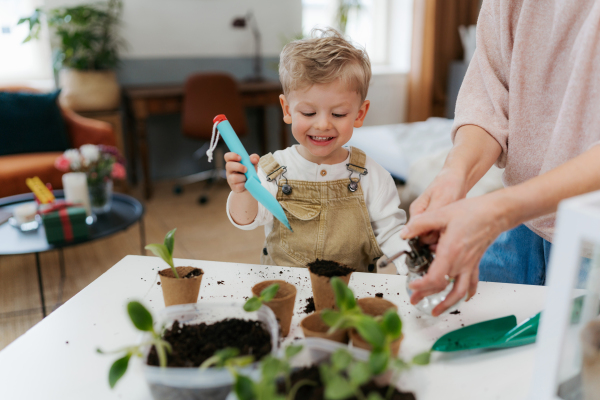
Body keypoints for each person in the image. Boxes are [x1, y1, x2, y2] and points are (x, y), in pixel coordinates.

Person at [401, 0, 600, 316]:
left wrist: (496, 214)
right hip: (521, 226)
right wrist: (455, 175)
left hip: (591, 239)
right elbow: (489, 95)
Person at [224, 28, 408, 273]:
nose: (322, 124)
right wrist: (241, 190)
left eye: (338, 114)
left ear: (359, 113)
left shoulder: (372, 176)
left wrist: (414, 270)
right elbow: (247, 220)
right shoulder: (273, 170)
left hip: (351, 298)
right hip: (287, 293)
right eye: (309, 113)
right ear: (287, 110)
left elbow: (393, 233)